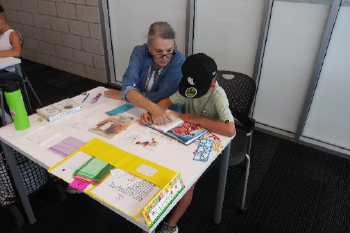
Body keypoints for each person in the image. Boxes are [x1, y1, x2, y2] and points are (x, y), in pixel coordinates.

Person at [139, 53, 236, 233]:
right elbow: (166, 102)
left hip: (211, 140)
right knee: (163, 161)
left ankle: (172, 224)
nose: (191, 93)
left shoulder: (217, 94)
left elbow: (230, 130)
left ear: (212, 85)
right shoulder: (190, 88)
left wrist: (198, 120)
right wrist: (152, 112)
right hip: (187, 137)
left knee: (188, 181)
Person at [104, 22, 185, 125]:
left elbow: (161, 95)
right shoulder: (139, 52)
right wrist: (129, 94)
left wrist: (129, 95)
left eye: (169, 50)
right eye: (159, 51)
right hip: (139, 109)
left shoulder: (178, 60)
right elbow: (128, 85)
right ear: (149, 46)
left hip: (166, 114)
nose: (165, 57)